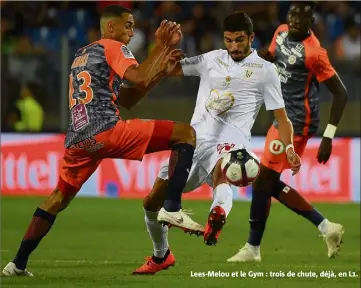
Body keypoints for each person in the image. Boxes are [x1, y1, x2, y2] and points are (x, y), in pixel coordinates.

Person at [2, 5, 203, 277]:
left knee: (57, 198)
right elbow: (140, 77)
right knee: (186, 134)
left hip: (78, 139)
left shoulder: (82, 55)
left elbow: (130, 98)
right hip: (106, 130)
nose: (132, 32)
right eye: (128, 25)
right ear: (110, 28)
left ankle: (17, 263)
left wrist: (159, 69)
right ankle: (173, 208)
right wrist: (161, 46)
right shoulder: (113, 47)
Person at [132, 11, 301, 275]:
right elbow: (170, 69)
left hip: (233, 143)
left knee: (225, 172)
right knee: (151, 202)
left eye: (240, 40)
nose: (233, 46)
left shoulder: (266, 71)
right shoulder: (211, 59)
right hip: (193, 143)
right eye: (229, 40)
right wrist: (165, 48)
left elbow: (282, 118)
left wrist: (289, 148)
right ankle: (161, 254)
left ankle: (217, 213)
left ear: (252, 38)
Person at [227, 1, 348, 263]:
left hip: (298, 122)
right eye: (292, 14)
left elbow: (341, 94)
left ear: (311, 21)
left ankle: (252, 249)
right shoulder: (280, 32)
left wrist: (329, 136)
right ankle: (327, 228)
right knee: (266, 183)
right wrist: (265, 57)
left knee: (262, 181)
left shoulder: (315, 52)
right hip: (280, 118)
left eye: (301, 17)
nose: (294, 20)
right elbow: (273, 58)